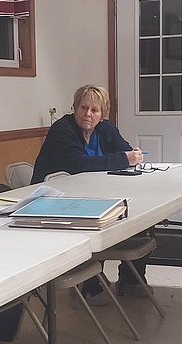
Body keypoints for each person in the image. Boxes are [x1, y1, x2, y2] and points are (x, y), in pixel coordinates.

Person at [31, 84, 147, 304]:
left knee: (141, 215)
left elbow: (127, 150)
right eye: (83, 108)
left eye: (95, 110)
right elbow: (78, 164)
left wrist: (132, 155)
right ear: (74, 108)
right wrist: (124, 158)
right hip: (55, 200)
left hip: (94, 195)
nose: (88, 114)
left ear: (102, 114)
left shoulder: (105, 129)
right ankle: (88, 286)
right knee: (97, 222)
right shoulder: (62, 130)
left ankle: (132, 280)